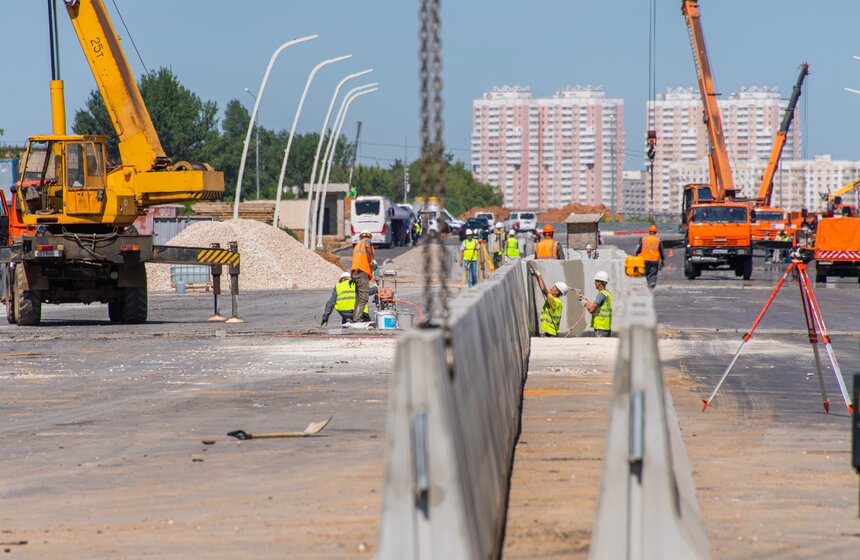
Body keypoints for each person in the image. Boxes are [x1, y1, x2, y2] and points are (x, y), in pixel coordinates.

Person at [530, 266, 570, 337]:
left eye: (554, 288)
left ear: (557, 292)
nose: (551, 288)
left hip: (550, 333)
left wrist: (539, 275)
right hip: (550, 332)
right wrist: (537, 277)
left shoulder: (555, 301)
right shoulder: (556, 300)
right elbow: (544, 289)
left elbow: (543, 289)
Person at [351, 230, 377, 322]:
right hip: (362, 272)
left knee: (359, 298)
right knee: (364, 298)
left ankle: (355, 318)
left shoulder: (357, 245)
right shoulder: (367, 241)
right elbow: (367, 244)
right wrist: (373, 259)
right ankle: (358, 319)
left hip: (355, 272)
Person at [580, 271, 612, 337]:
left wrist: (585, 303)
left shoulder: (601, 295)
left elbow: (592, 310)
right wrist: (586, 300)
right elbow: (596, 306)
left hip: (601, 327)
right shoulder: (607, 294)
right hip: (605, 327)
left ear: (599, 282)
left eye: (596, 281)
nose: (594, 283)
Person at [635, 224, 665, 289]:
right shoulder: (658, 239)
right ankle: (650, 288)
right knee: (652, 276)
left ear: (649, 231)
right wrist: (663, 260)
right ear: (655, 232)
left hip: (644, 260)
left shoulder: (644, 238)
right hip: (654, 261)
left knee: (644, 274)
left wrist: (636, 258)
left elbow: (638, 250)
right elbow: (661, 252)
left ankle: (644, 288)